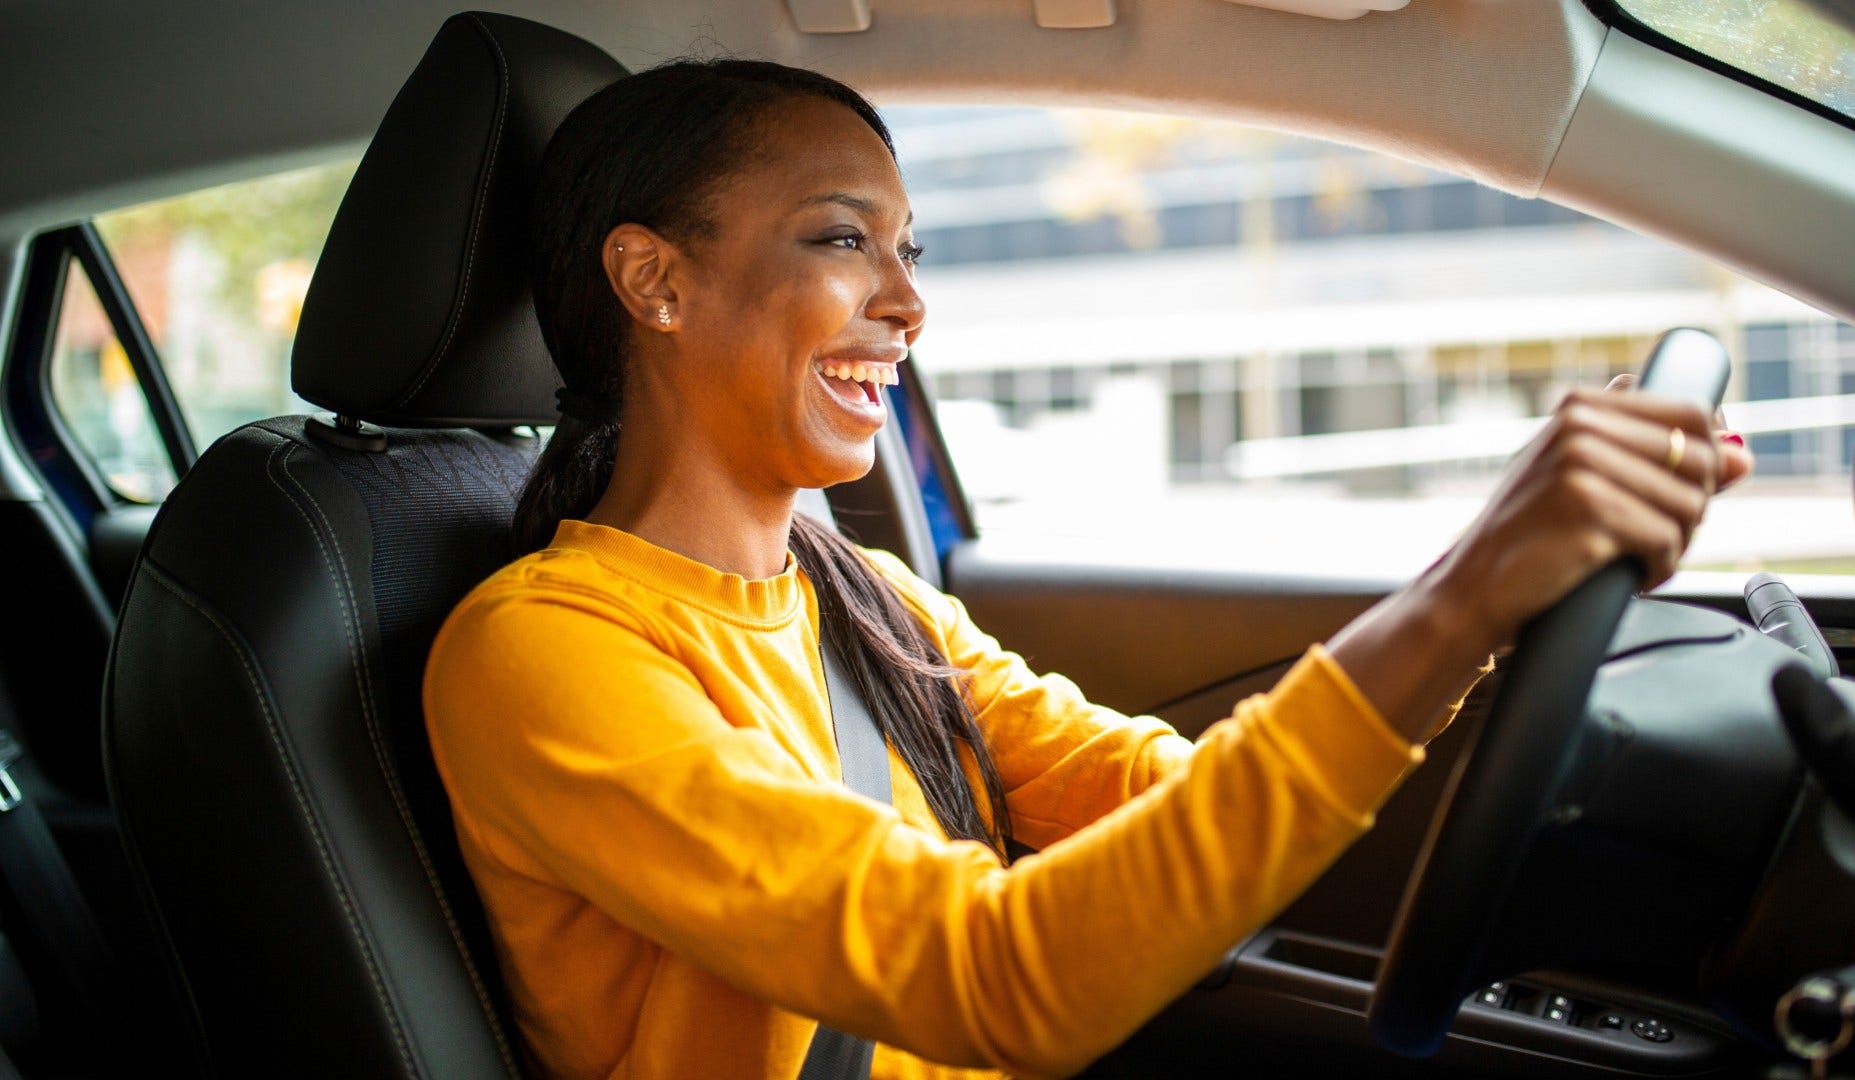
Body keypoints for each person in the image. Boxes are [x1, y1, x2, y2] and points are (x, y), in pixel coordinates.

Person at [422, 59, 1753, 1080]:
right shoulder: (545, 653)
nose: (909, 302)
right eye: (842, 241)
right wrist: (1466, 593)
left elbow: (1159, 803)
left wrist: (1488, 593)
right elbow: (997, 976)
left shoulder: (865, 599)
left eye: (910, 250)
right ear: (654, 282)